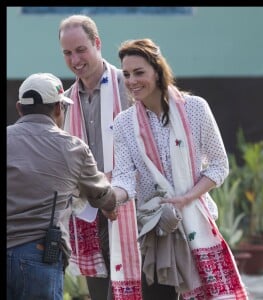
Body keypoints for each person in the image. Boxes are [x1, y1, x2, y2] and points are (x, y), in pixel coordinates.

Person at [111, 38, 249, 300]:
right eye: (126, 74)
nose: (131, 81)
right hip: (155, 229)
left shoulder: (195, 108)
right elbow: (124, 177)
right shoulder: (123, 124)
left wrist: (187, 197)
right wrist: (111, 196)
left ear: (158, 71)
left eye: (139, 72)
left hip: (195, 224)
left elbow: (219, 166)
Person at [7, 72, 118, 300]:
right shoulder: (73, 148)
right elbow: (103, 196)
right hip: (39, 257)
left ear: (19, 108)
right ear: (59, 109)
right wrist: (113, 200)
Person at [58, 15, 142, 300]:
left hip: (135, 204)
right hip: (91, 211)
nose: (75, 59)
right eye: (67, 53)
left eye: (81, 49)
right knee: (99, 291)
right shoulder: (67, 101)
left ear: (97, 43)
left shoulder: (128, 86)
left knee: (139, 288)